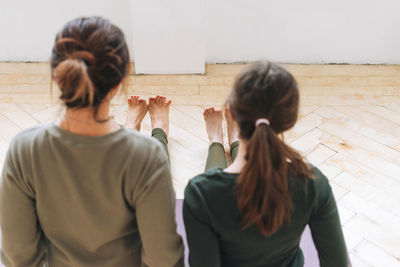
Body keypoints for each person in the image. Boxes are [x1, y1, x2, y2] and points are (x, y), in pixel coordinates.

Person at [0, 17, 184, 267]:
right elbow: (162, 258)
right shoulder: (147, 155)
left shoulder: (24, 149)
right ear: (120, 81)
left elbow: (17, 255)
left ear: (57, 75)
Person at [183, 61, 349, 267]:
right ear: (290, 119)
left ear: (232, 113)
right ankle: (232, 142)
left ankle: (222, 142)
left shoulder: (201, 193)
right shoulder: (313, 183)